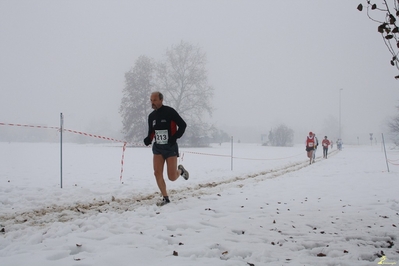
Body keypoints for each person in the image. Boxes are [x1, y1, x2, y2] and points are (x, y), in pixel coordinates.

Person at [143, 91, 189, 206]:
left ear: (161, 100)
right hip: (158, 148)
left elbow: (183, 125)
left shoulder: (170, 112)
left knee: (172, 177)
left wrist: (175, 137)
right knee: (157, 173)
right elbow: (151, 132)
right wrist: (148, 139)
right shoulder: (151, 116)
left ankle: (181, 171)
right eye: (151, 100)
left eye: (154, 100)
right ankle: (165, 198)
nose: (152, 102)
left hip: (170, 147)